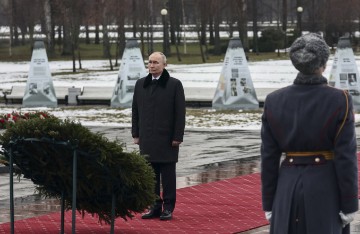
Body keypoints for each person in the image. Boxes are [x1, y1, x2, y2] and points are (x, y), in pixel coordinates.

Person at [261, 33, 358, 234]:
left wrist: (269, 202)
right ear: (323, 63)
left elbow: (269, 158)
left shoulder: (274, 101)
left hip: (286, 188)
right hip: (325, 187)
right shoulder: (340, 100)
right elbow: (345, 157)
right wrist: (349, 204)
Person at [132, 51, 186, 221]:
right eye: (150, 62)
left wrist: (177, 136)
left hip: (167, 139)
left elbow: (180, 113)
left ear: (164, 64)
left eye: (156, 62)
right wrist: (136, 133)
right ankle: (154, 206)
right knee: (150, 175)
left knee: (168, 176)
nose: (152, 65)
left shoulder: (174, 84)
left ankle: (168, 208)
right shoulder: (141, 84)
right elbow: (135, 110)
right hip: (147, 138)